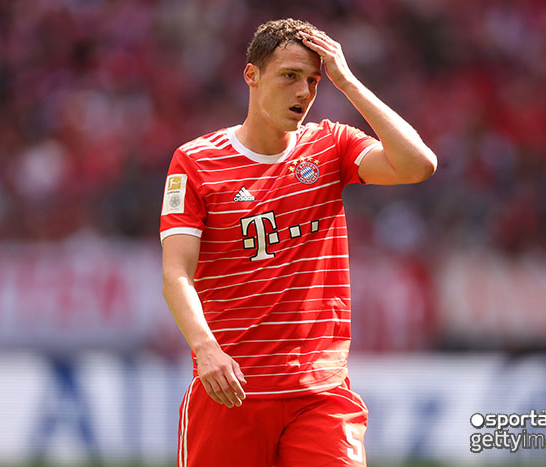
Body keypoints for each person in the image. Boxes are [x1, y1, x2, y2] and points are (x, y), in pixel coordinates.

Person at [160, 18, 437, 467]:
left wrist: (348, 83)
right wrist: (205, 347)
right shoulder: (196, 162)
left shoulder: (331, 145)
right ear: (252, 75)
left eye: (312, 81)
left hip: (320, 393)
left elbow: (418, 164)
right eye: (289, 76)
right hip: (231, 388)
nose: (303, 92)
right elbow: (176, 273)